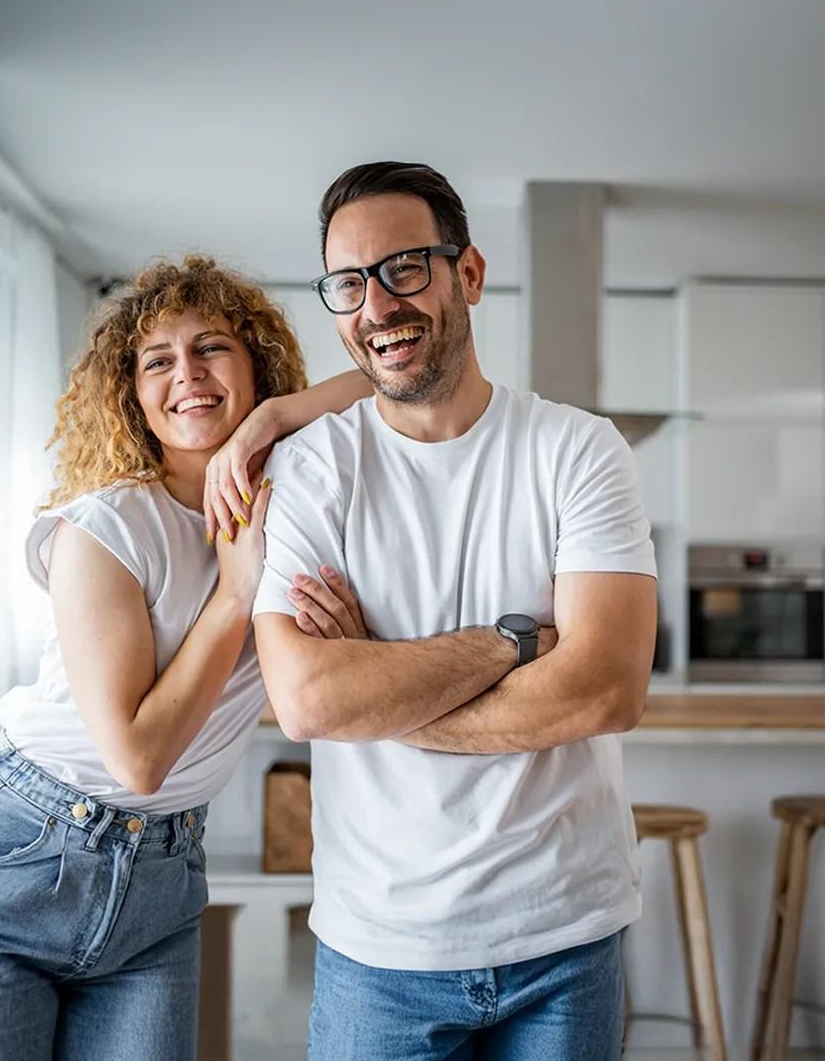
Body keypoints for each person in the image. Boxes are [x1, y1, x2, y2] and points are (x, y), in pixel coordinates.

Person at [252, 162, 659, 1060]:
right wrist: (511, 643)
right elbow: (312, 704)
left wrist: (384, 688)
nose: (376, 305)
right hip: (379, 949)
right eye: (348, 283)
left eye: (404, 268)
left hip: (564, 934)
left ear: (467, 274)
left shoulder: (579, 451)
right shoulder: (313, 470)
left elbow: (603, 691)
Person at [0, 255, 369, 1061]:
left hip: (162, 877)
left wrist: (267, 425)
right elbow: (138, 758)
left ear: (257, 366)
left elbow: (382, 386)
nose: (187, 375)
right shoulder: (104, 528)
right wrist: (235, 593)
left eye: (212, 348)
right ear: (132, 393)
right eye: (158, 361)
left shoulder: (291, 503)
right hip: (22, 857)